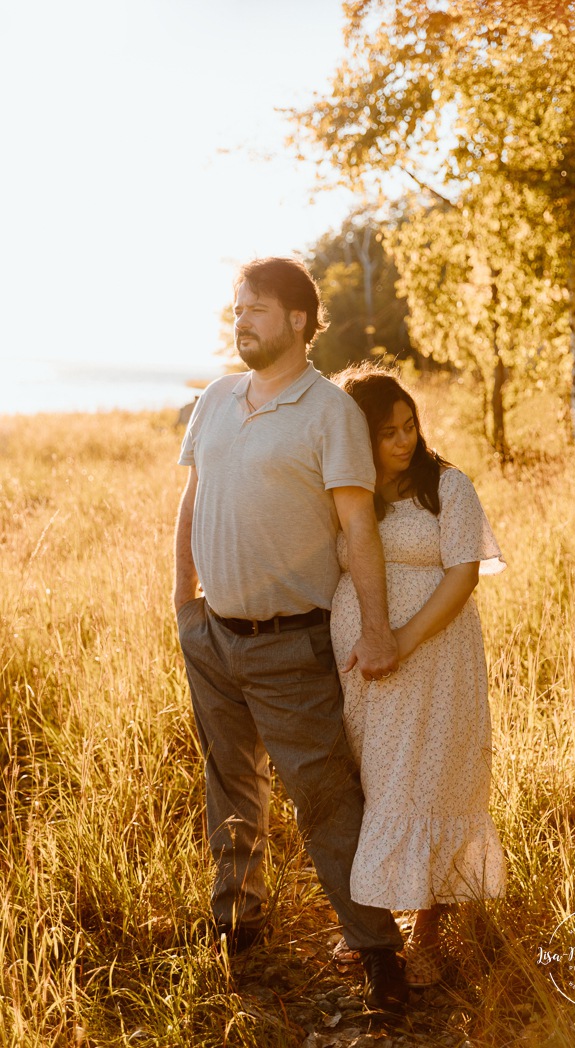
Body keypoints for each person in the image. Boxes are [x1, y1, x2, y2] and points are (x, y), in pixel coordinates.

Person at [173, 258, 408, 1014]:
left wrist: (376, 629)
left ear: (300, 321)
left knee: (324, 799)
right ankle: (237, 919)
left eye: (257, 311)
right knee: (229, 782)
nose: (240, 321)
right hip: (212, 634)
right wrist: (184, 603)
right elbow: (192, 501)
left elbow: (355, 526)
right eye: (237, 308)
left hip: (290, 642)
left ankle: (377, 950)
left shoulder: (327, 412)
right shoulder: (213, 399)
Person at [330, 364, 507, 988]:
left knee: (430, 781)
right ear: (360, 437)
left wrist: (400, 639)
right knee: (380, 783)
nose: (405, 441)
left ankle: (428, 930)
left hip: (435, 655)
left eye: (410, 426)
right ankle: (377, 932)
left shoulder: (447, 487)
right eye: (388, 432)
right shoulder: (345, 492)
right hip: (362, 664)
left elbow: (463, 574)